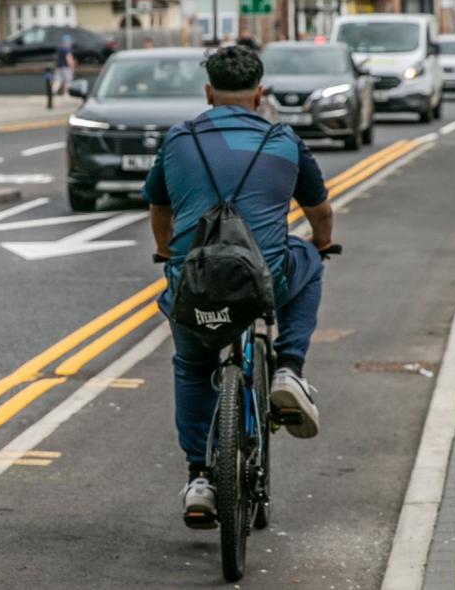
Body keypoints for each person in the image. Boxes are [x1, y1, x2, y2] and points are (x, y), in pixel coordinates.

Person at [142, 46, 335, 527]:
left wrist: (168, 254)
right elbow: (320, 212)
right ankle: (289, 367)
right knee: (308, 256)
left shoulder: (180, 139)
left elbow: (159, 209)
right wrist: (325, 242)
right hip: (264, 279)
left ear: (208, 93)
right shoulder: (283, 138)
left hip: (196, 282)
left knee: (192, 366)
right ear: (260, 93)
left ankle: (200, 478)